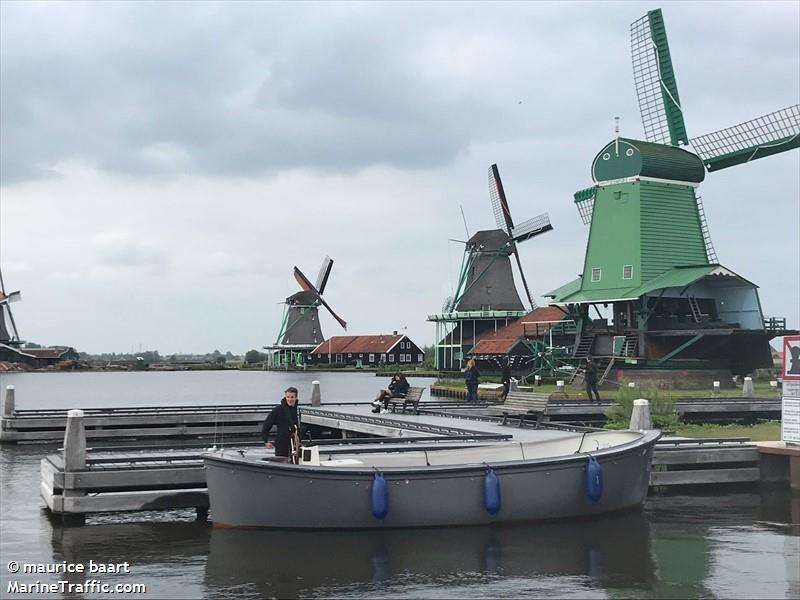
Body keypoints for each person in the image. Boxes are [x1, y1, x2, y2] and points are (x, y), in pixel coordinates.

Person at [262, 387, 301, 461]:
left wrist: (300, 440)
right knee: (281, 461)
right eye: (288, 397)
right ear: (285, 397)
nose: (290, 399)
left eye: (292, 397)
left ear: (296, 397)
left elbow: (299, 426)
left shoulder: (298, 410)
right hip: (282, 441)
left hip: (294, 441)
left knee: (295, 461)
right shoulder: (278, 410)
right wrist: (266, 440)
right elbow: (267, 424)